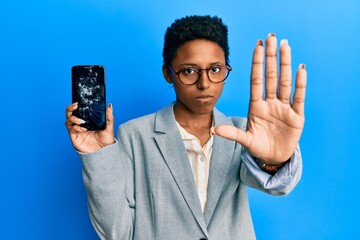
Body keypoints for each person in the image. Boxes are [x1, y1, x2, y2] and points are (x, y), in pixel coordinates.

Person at [65, 15, 307, 240]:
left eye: (215, 69)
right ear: (168, 74)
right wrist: (97, 156)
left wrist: (275, 163)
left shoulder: (243, 133)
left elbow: (276, 187)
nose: (204, 84)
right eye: (189, 71)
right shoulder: (135, 135)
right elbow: (117, 232)